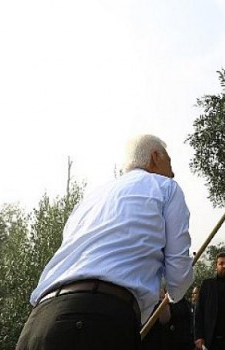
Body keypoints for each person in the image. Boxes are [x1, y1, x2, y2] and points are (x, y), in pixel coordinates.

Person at [16, 134, 194, 350]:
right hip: (101, 320)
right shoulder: (166, 187)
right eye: (170, 162)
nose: (172, 172)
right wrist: (174, 290)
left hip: (40, 321)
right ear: (154, 157)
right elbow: (178, 280)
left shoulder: (90, 198)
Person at [194, 252, 225, 350]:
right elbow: (198, 313)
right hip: (210, 341)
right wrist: (198, 336)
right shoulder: (207, 285)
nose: (224, 266)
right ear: (216, 265)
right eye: (221, 263)